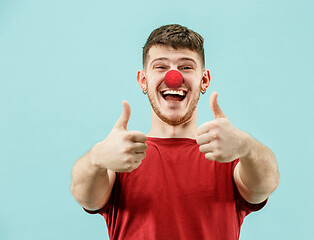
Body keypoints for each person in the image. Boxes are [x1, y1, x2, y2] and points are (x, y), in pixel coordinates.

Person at [70, 24, 279, 240]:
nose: (173, 77)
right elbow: (85, 196)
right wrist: (96, 158)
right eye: (160, 67)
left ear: (204, 80)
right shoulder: (121, 157)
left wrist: (247, 147)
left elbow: (265, 185)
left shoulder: (227, 156)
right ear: (143, 80)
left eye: (186, 67)